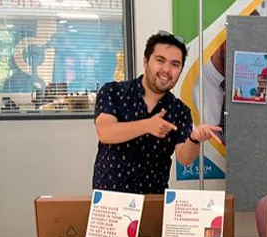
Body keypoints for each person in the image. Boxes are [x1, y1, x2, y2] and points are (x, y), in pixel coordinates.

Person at [92, 32, 221, 194]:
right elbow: (106, 132)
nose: (166, 70)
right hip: (110, 200)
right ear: (146, 62)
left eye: (175, 64)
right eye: (160, 60)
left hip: (154, 200)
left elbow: (185, 158)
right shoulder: (113, 91)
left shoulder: (179, 110)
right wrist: (148, 125)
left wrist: (194, 139)